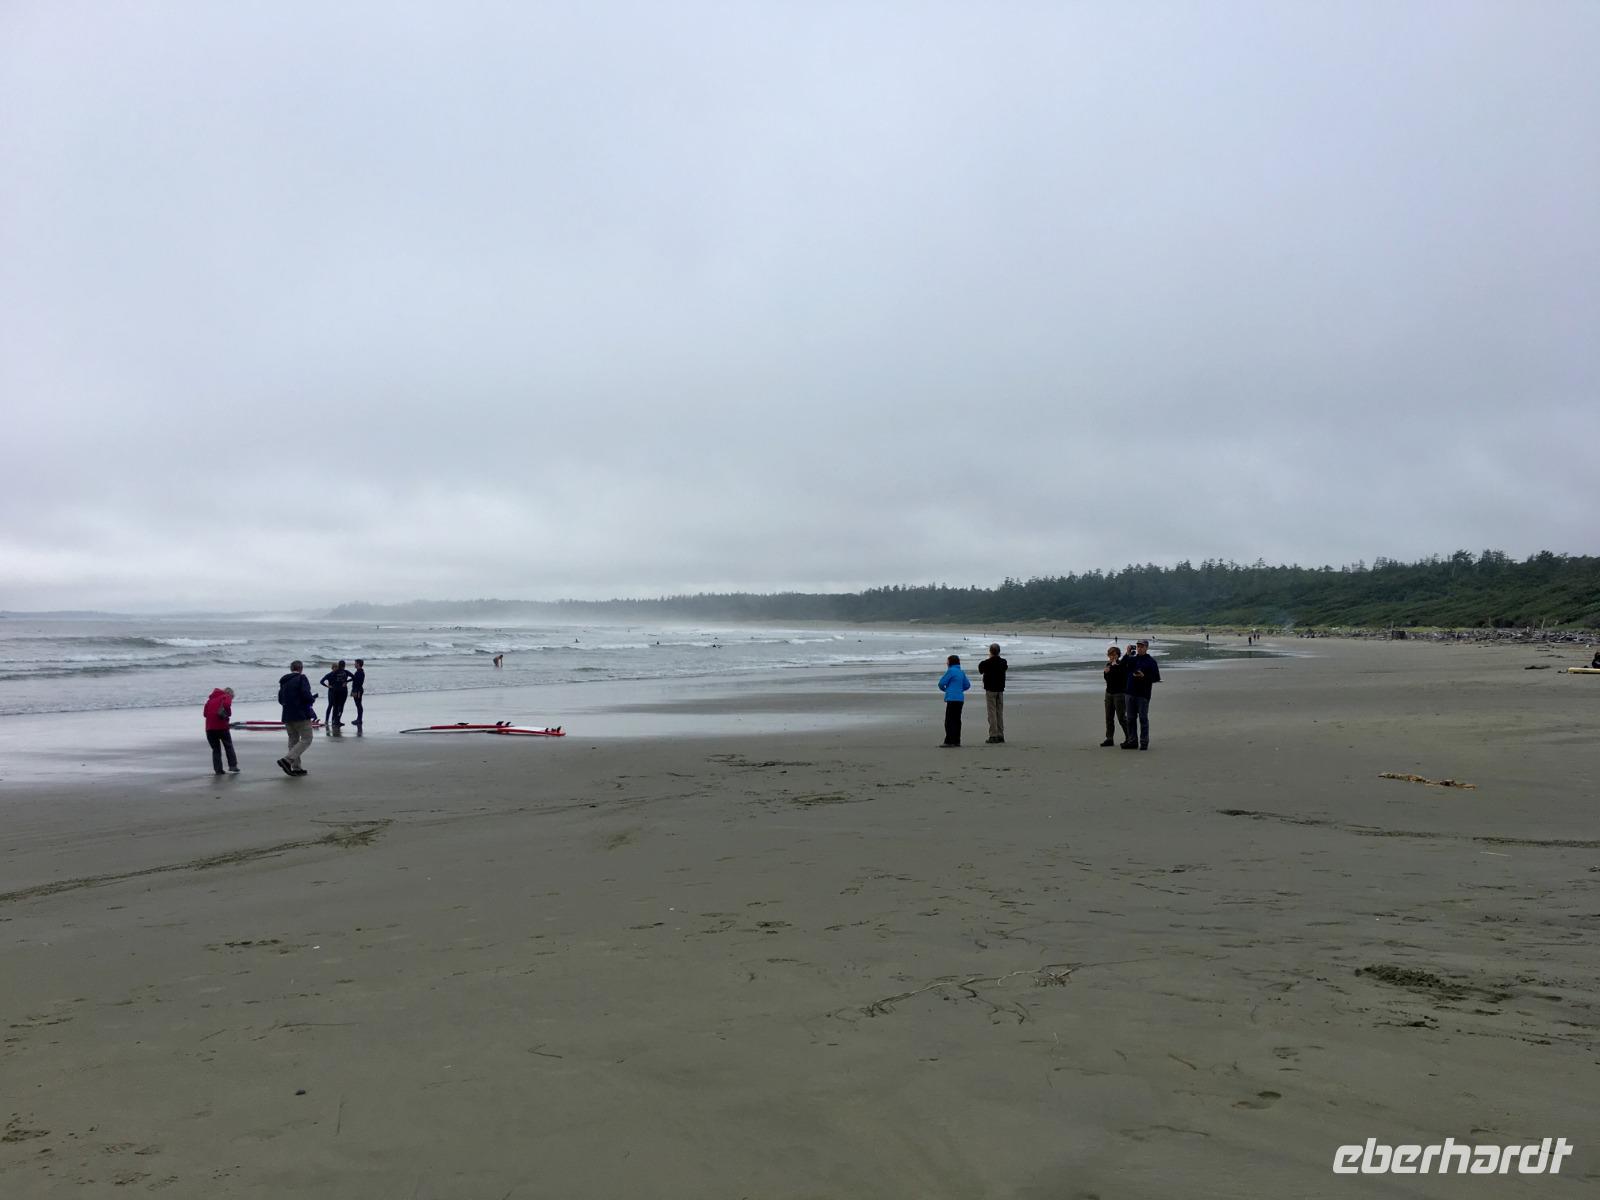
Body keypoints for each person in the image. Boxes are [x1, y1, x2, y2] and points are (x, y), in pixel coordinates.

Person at [277, 660, 318, 777]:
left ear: (291, 668)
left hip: (287, 714)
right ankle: (287, 760)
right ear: (301, 668)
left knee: (293, 740)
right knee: (307, 739)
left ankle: (296, 767)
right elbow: (306, 694)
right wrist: (312, 699)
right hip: (300, 714)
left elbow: (280, 699)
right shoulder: (301, 678)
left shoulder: (284, 681)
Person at [1122, 639, 1162, 750]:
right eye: (1138, 646)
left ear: (1146, 648)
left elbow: (1156, 678)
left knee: (1143, 719)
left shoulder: (1151, 662)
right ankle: (1132, 741)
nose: (1139, 648)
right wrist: (1127, 653)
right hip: (1130, 692)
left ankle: (1144, 742)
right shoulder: (1132, 659)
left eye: (1142, 646)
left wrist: (1144, 676)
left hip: (1143, 694)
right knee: (1130, 719)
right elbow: (1122, 666)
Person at [203, 686, 240, 775]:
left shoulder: (210, 700)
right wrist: (227, 712)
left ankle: (218, 770)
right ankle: (233, 766)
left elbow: (205, 714)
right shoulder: (226, 696)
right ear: (230, 694)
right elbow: (227, 705)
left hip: (209, 728)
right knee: (228, 746)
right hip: (222, 726)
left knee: (216, 749)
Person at [937, 654, 971, 747]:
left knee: (949, 721)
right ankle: (956, 740)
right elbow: (967, 685)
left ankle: (949, 741)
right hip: (960, 699)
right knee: (957, 720)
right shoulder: (961, 672)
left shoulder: (951, 671)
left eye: (947, 661)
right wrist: (959, 690)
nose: (946, 663)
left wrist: (946, 690)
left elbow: (941, 683)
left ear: (950, 662)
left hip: (952, 698)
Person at [977, 643, 1008, 744]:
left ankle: (993, 735)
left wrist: (990, 658)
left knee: (992, 713)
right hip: (1000, 690)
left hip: (990, 690)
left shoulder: (986, 663)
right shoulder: (1003, 662)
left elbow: (980, 669)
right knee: (999, 712)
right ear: (999, 652)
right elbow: (1005, 667)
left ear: (990, 652)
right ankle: (1000, 734)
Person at [1101, 646, 1131, 747]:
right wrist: (1106, 673)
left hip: (1119, 694)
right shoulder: (1108, 664)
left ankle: (1129, 737)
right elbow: (1108, 679)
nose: (1112, 657)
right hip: (1109, 693)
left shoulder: (1121, 664)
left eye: (1114, 655)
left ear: (1118, 655)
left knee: (1121, 718)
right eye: (1110, 655)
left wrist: (1113, 668)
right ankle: (1109, 738)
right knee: (1109, 717)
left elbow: (1121, 677)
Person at [320, 660, 353, 728]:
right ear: (332, 668)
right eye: (334, 667)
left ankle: (334, 720)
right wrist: (328, 686)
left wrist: (346, 682)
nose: (335, 668)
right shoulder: (330, 674)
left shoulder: (338, 674)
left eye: (336, 667)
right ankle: (327, 720)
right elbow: (321, 681)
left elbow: (341, 681)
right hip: (331, 692)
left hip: (336, 692)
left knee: (336, 706)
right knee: (330, 705)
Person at [350, 658, 366, 728]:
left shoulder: (360, 672)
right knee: (358, 705)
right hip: (356, 690)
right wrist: (347, 681)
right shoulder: (358, 671)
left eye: (355, 663)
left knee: (358, 705)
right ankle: (359, 719)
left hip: (358, 690)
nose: (354, 664)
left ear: (358, 664)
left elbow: (358, 682)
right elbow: (354, 678)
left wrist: (356, 691)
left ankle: (359, 719)